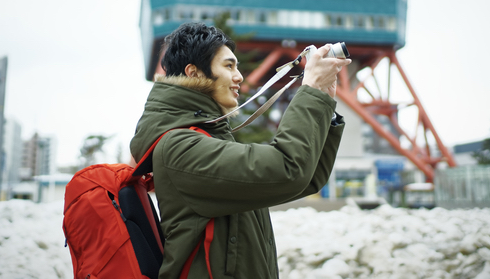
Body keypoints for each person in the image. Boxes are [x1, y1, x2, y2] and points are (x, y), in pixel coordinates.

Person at [130, 22, 351, 278]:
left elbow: (306, 179)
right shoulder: (179, 148)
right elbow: (288, 169)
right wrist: (310, 92)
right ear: (194, 73)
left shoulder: (207, 137)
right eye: (229, 66)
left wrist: (324, 102)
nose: (239, 76)